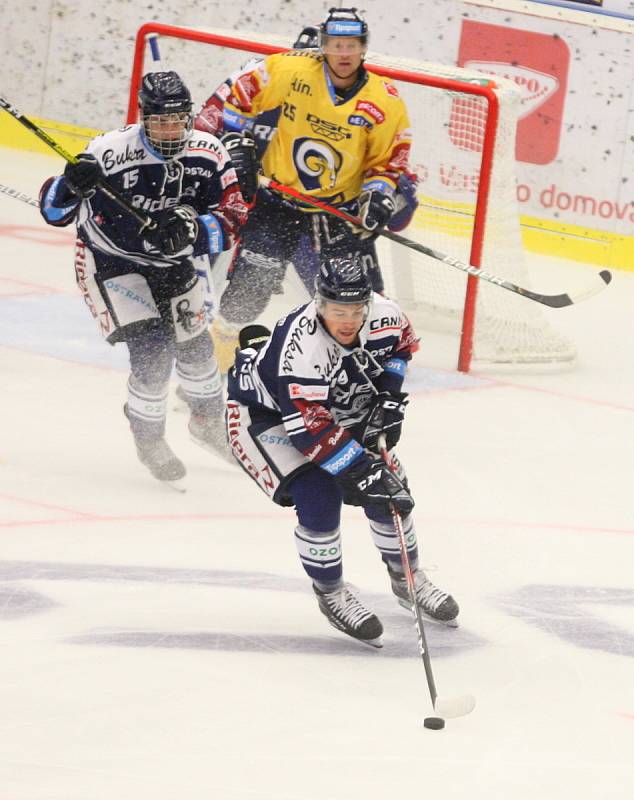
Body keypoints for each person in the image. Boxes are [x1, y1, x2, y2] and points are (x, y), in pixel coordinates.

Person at [225, 255, 459, 647]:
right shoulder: (302, 348)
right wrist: (362, 472)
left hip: (332, 407)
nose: (348, 320)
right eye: (338, 310)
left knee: (392, 495)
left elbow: (400, 349)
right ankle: (331, 591)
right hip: (268, 416)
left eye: (355, 309)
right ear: (319, 304)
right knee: (319, 492)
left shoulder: (385, 314)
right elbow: (310, 434)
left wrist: (388, 396)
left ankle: (409, 580)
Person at [39, 71, 249, 486]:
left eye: (178, 121)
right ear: (143, 119)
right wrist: (70, 184)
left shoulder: (209, 152)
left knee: (195, 348)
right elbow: (53, 212)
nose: (171, 131)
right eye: (160, 122)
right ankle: (148, 435)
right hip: (111, 260)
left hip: (171, 264)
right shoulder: (109, 151)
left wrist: (192, 230)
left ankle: (207, 422)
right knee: (153, 352)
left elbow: (234, 218)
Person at [194, 8, 419, 370]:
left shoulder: (384, 100)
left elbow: (388, 163)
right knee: (247, 292)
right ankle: (211, 371)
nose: (343, 53)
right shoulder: (290, 70)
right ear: (323, 46)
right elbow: (234, 98)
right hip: (276, 204)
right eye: (335, 44)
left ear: (363, 48)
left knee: (352, 300)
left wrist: (377, 198)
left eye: (350, 45)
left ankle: (357, 375)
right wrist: (235, 144)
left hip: (336, 214)